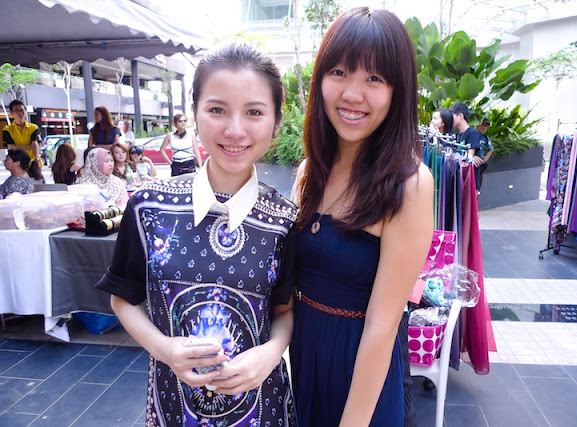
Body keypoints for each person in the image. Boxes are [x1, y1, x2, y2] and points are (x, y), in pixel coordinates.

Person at [95, 42, 297, 426]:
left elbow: (284, 312)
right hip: (173, 405)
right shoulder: (148, 207)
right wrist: (164, 349)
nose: (234, 129)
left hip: (261, 408)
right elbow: (123, 299)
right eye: (217, 109)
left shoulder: (285, 221)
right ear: (194, 115)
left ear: (275, 122)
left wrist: (271, 354)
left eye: (254, 112)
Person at [290, 7, 434, 426]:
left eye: (374, 78)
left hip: (361, 378)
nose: (352, 94)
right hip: (304, 359)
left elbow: (383, 326)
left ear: (397, 91)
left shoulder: (409, 184)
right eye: (339, 72)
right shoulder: (309, 171)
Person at [2, 100, 42, 167]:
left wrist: (37, 159)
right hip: (16, 165)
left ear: (25, 112)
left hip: (33, 163)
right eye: (16, 110)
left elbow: (36, 143)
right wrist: (30, 146)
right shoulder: (7, 129)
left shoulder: (34, 127)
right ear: (11, 113)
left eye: (22, 110)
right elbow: (11, 148)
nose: (20, 113)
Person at [474, 117, 494, 192]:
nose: (484, 127)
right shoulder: (472, 134)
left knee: (478, 183)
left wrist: (486, 158)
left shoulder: (485, 138)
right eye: (482, 125)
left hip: (480, 163)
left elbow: (491, 148)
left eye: (486, 126)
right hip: (472, 162)